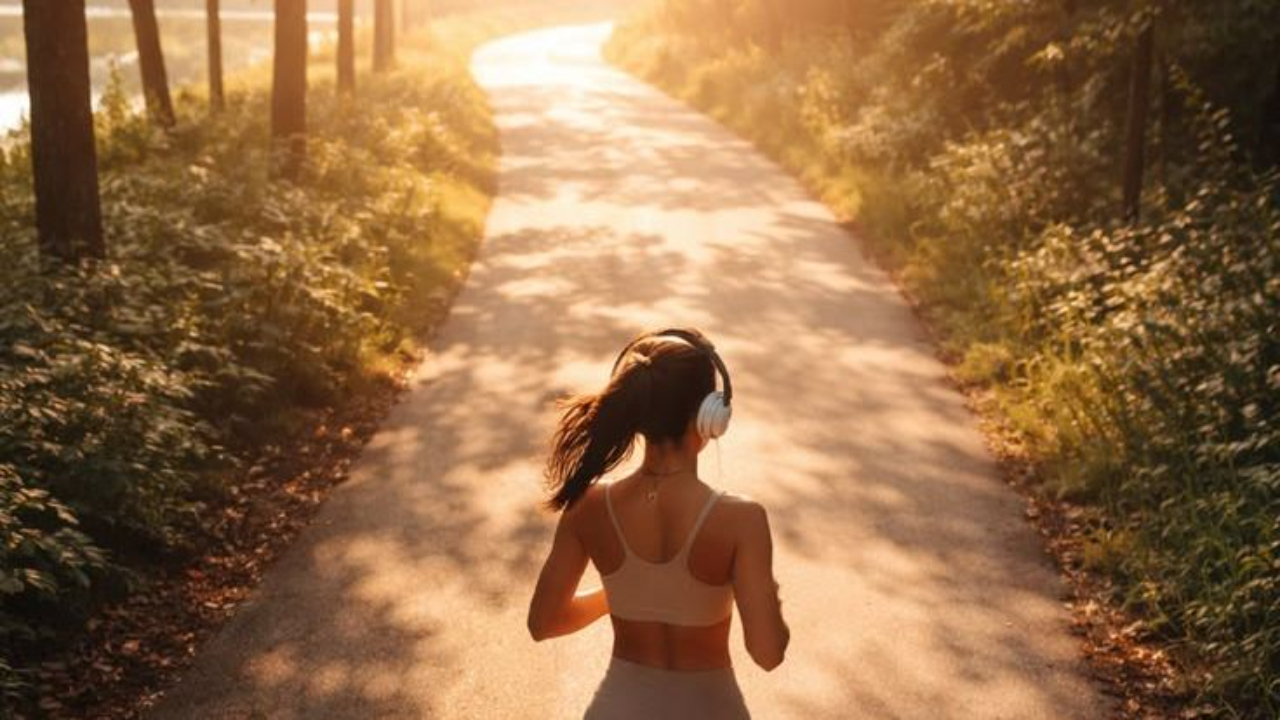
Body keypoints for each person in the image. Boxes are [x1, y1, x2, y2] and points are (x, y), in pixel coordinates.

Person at [527, 327, 790, 719]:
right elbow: (768, 653)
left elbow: (543, 623)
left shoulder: (589, 506)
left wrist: (625, 592)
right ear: (711, 414)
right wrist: (767, 593)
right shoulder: (741, 520)